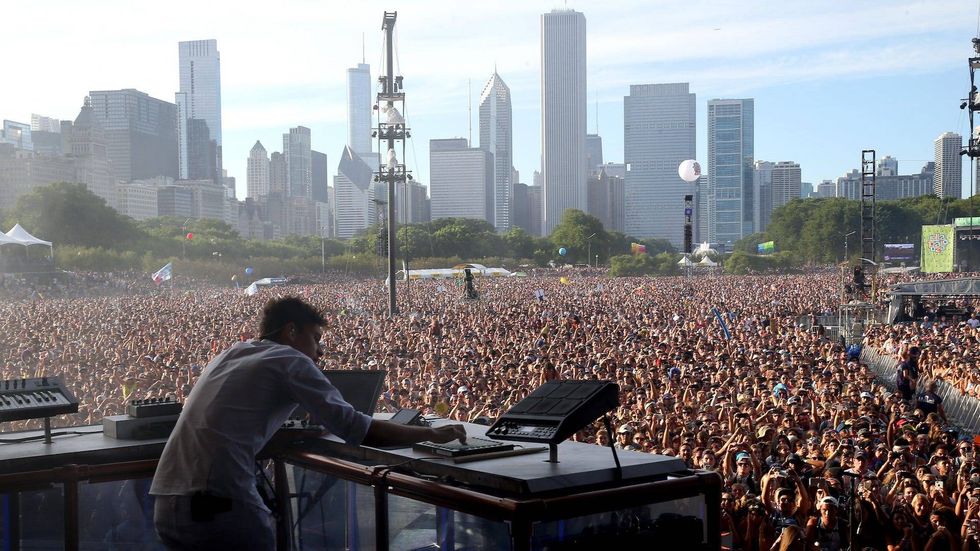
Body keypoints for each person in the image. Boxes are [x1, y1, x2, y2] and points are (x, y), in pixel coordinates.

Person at [150, 297, 466, 550]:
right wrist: (431, 433)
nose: (320, 351)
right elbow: (357, 428)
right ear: (290, 332)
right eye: (315, 339)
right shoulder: (290, 360)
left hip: (167, 504)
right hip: (219, 508)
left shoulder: (233, 352)